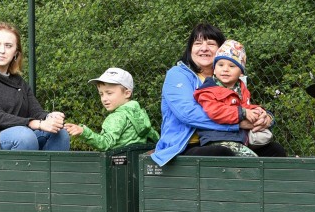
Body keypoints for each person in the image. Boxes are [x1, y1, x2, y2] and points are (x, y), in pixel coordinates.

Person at [153, 23, 284, 165]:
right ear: (190, 49)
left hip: (232, 139)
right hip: (186, 145)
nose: (204, 48)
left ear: (221, 50)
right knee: (221, 154)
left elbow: (244, 106)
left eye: (211, 44)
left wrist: (266, 117)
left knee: (275, 150)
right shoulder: (177, 74)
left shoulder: (230, 79)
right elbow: (187, 114)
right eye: (198, 43)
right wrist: (238, 122)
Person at [0, 21, 70, 150]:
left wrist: (50, 117)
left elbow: (36, 112)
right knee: (24, 135)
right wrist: (34, 123)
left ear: (16, 53)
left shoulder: (19, 82)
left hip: (18, 137)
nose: (2, 50)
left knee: (59, 133)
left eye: (8, 46)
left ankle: (50, 170)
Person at [190, 40, 267, 157]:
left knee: (269, 151)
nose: (225, 69)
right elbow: (215, 111)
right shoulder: (208, 90)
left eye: (232, 66)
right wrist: (243, 112)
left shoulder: (240, 88)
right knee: (252, 160)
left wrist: (257, 111)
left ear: (241, 72)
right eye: (220, 65)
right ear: (214, 69)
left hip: (237, 137)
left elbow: (245, 106)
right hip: (217, 138)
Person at [65, 67, 159, 151]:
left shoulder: (117, 117)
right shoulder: (139, 113)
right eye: (101, 94)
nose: (104, 99)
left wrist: (83, 132)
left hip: (116, 166)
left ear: (127, 93)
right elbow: (155, 138)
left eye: (109, 93)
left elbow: (105, 144)